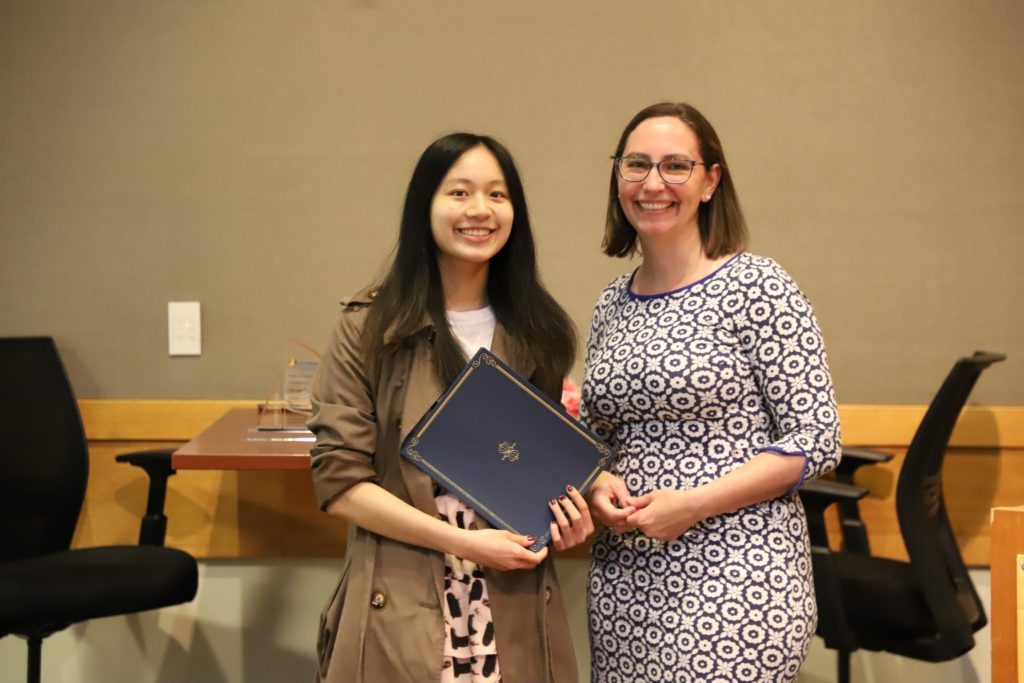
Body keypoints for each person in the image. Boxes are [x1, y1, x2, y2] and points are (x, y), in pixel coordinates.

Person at [308, 132, 592, 683]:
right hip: (402, 596)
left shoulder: (539, 332)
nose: (480, 210)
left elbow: (533, 468)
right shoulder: (370, 328)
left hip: (514, 600)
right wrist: (462, 543)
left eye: (497, 194)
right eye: (459, 193)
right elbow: (340, 483)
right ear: (425, 206)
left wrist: (567, 517)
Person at [581, 102, 842, 683]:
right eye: (636, 164)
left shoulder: (758, 285)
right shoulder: (611, 303)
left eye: (676, 166)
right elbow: (599, 438)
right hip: (625, 580)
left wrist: (694, 504)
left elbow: (817, 438)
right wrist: (596, 483)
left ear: (710, 181)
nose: (653, 183)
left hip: (736, 574)